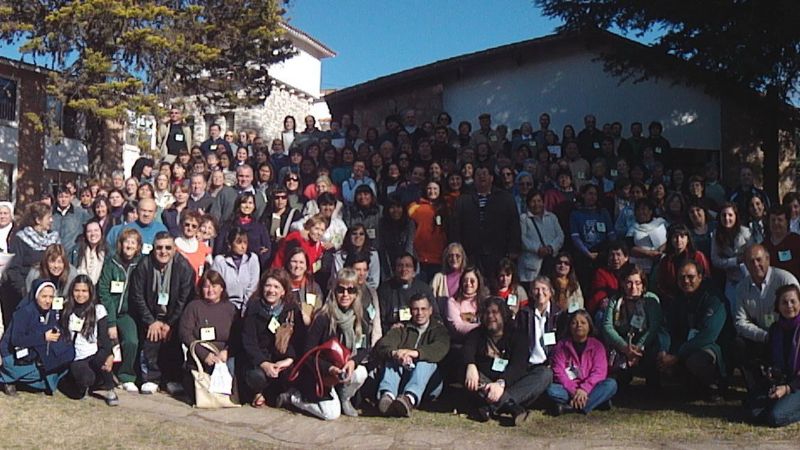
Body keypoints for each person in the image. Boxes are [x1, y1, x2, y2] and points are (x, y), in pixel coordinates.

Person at [277, 268, 370, 420]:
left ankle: (344, 398)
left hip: (344, 368)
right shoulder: (323, 317)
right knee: (331, 415)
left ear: (356, 293)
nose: (345, 295)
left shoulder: (361, 315)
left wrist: (353, 361)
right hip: (321, 372)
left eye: (350, 290)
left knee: (361, 373)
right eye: (341, 289)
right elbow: (308, 353)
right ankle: (293, 398)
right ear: (334, 291)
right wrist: (330, 368)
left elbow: (365, 347)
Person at [463, 297, 548, 425]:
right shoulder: (476, 334)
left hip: (510, 383)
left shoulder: (518, 335)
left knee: (545, 374)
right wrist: (470, 365)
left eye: (495, 312)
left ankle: (491, 407)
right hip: (485, 382)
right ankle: (511, 406)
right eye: (487, 313)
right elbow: (467, 350)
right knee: (464, 370)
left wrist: (501, 384)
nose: (491, 316)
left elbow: (519, 366)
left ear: (503, 314)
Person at [128, 232, 195, 394]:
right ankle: (151, 378)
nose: (163, 252)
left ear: (174, 250)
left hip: (174, 316)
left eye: (167, 248)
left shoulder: (184, 267)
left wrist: (169, 323)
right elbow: (137, 296)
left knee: (174, 343)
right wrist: (151, 321)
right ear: (153, 248)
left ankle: (172, 379)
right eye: (159, 248)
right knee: (151, 340)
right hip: (151, 316)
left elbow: (183, 298)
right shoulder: (144, 265)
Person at [658, 260, 734, 401]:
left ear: (700, 276)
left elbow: (708, 335)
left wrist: (677, 355)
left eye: (691, 277)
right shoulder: (677, 299)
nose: (686, 281)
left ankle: (716, 385)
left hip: (713, 349)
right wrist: (664, 350)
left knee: (697, 360)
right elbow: (665, 327)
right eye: (681, 277)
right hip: (684, 345)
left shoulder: (714, 299)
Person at [733, 244, 799, 389]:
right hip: (761, 337)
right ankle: (756, 388)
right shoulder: (741, 288)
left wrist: (777, 335)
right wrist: (764, 336)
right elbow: (740, 321)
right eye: (751, 261)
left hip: (786, 337)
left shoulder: (786, 280)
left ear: (768, 259)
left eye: (759, 260)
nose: (755, 264)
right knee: (739, 344)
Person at [374, 293, 450, 417]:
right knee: (392, 359)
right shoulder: (402, 328)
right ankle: (387, 396)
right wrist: (396, 354)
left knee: (425, 362)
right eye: (415, 309)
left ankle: (409, 399)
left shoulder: (439, 330)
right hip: (403, 379)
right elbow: (383, 345)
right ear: (410, 311)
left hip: (429, 384)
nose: (419, 313)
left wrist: (415, 353)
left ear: (430, 310)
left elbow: (441, 348)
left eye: (423, 309)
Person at [241, 268, 306, 408]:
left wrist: (288, 360)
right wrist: (264, 364)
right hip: (260, 362)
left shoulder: (292, 310)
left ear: (283, 291)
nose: (271, 290)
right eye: (268, 286)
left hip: (284, 360)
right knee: (255, 376)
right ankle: (258, 392)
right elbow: (249, 342)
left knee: (292, 375)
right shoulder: (253, 307)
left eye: (276, 287)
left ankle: (279, 395)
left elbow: (299, 339)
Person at [0, 280, 75, 396]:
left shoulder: (50, 312)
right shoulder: (24, 312)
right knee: (44, 372)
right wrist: (43, 337)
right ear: (36, 295)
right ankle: (7, 378)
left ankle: (29, 380)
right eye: (44, 296)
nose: (48, 300)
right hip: (13, 354)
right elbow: (16, 340)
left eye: (51, 297)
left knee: (64, 358)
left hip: (34, 351)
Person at [178, 270, 240, 404]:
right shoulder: (194, 307)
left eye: (214, 285)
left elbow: (238, 335)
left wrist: (227, 352)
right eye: (206, 286)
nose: (210, 290)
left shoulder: (231, 309)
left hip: (225, 356)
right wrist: (204, 354)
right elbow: (185, 332)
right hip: (201, 355)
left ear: (222, 288)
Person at [450, 165, 521, 277]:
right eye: (478, 174)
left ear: (492, 178)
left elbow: (514, 225)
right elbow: (455, 226)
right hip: (471, 253)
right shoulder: (463, 199)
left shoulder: (505, 198)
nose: (481, 177)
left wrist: (513, 249)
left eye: (484, 174)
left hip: (499, 252)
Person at [746, 284, 800, 427]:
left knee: (776, 418)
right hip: (780, 381)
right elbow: (769, 358)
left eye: (793, 301)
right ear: (778, 306)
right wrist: (770, 371)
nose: (789, 306)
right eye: (784, 302)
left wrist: (788, 388)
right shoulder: (775, 329)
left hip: (797, 384)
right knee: (753, 412)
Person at [602, 265, 664, 388]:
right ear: (623, 284)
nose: (633, 287)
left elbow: (654, 327)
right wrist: (625, 347)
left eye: (637, 283)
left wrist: (638, 348)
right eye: (629, 283)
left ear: (643, 284)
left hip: (646, 343)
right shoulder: (615, 300)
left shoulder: (651, 299)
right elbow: (607, 326)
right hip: (622, 343)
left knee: (655, 347)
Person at [97, 228, 142, 393]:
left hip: (130, 313)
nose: (129, 245)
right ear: (120, 244)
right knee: (108, 341)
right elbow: (103, 291)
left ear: (138, 247)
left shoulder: (141, 263)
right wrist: (111, 322)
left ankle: (127, 375)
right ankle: (111, 375)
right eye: (126, 241)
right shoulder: (111, 263)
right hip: (112, 311)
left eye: (133, 242)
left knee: (132, 341)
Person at [548, 310, 617, 415]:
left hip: (591, 387)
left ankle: (570, 407)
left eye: (583, 323)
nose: (579, 325)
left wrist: (584, 389)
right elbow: (559, 372)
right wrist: (574, 391)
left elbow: (599, 372)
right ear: (569, 326)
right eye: (574, 323)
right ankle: (596, 401)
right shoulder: (561, 346)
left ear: (589, 326)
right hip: (568, 389)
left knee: (611, 384)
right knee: (551, 390)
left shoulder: (597, 346)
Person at [62, 275, 117, 405]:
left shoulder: (98, 310)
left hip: (94, 353)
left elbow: (104, 337)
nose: (80, 294)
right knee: (85, 379)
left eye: (84, 291)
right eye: (77, 290)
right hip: (76, 356)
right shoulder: (66, 309)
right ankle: (87, 384)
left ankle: (110, 388)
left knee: (102, 359)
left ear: (90, 292)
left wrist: (109, 354)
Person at [5, 203, 60, 311]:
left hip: (49, 293)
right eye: (48, 217)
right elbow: (14, 268)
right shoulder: (21, 239)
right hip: (28, 292)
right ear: (38, 220)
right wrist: (24, 291)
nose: (51, 220)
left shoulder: (54, 238)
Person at [377, 253, 437, 333]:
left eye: (408, 266)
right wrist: (389, 328)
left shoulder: (424, 289)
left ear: (414, 271)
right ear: (394, 269)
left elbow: (436, 316)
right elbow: (380, 320)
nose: (404, 269)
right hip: (393, 334)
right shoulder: (384, 290)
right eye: (400, 266)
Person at [656, 224, 711, 306]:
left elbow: (706, 277)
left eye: (682, 236)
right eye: (675, 237)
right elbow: (661, 284)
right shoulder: (666, 260)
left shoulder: (697, 256)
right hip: (674, 302)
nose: (679, 240)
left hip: (697, 299)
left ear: (688, 239)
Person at [711, 203, 754, 308]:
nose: (727, 218)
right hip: (731, 280)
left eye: (730, 215)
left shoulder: (747, 233)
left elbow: (752, 256)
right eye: (723, 215)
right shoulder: (716, 234)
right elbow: (715, 260)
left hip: (748, 279)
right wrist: (734, 261)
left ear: (735, 216)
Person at [215, 192, 271, 269]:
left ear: (254, 206)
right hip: (230, 266)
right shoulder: (228, 225)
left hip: (253, 267)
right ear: (238, 204)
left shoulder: (260, 227)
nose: (247, 206)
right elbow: (219, 247)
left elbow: (266, 249)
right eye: (244, 202)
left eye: (250, 203)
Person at [211, 226, 260, 312]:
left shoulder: (252, 259)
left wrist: (245, 309)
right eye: (239, 242)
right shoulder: (220, 261)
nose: (243, 246)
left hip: (246, 307)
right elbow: (216, 286)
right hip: (224, 306)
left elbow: (253, 287)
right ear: (230, 244)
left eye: (245, 243)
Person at [519, 190, 564, 284]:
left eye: (539, 201)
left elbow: (560, 236)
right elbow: (522, 239)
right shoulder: (523, 219)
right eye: (533, 201)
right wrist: (538, 249)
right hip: (531, 265)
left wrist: (551, 248)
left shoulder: (552, 217)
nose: (536, 204)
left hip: (550, 261)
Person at [408, 181, 448, 281]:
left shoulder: (446, 208)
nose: (432, 191)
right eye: (429, 188)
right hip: (420, 258)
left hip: (439, 256)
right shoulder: (416, 208)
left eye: (435, 189)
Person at [282, 246, 324, 326]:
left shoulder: (313, 287)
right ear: (288, 264)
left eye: (301, 262)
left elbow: (319, 311)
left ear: (306, 266)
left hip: (307, 329)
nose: (297, 266)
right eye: (294, 261)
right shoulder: (280, 284)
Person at [376, 198, 416, 282]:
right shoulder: (382, 223)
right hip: (388, 261)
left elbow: (410, 245)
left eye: (398, 207)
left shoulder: (409, 223)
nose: (395, 210)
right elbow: (381, 246)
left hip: (407, 259)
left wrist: (405, 265)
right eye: (392, 207)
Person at [446, 266, 488, 343]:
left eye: (472, 281)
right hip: (459, 344)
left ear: (478, 282)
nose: (468, 283)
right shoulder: (452, 302)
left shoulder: (485, 301)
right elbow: (457, 327)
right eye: (465, 280)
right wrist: (483, 328)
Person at [588, 241, 631, 317]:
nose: (615, 258)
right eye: (612, 255)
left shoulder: (632, 273)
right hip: (609, 308)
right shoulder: (601, 273)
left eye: (618, 254)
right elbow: (600, 297)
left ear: (626, 257)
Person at [332, 224, 381, 289]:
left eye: (361, 234)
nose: (358, 236)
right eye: (354, 234)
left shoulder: (373, 255)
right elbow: (337, 279)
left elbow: (374, 282)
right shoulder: (339, 256)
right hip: (345, 290)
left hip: (367, 291)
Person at [627, 199, 668, 275]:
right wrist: (649, 254)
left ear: (650, 211)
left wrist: (661, 250)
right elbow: (629, 248)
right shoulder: (632, 228)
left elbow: (671, 236)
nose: (640, 212)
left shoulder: (661, 222)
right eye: (638, 210)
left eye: (643, 209)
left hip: (663, 263)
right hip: (642, 269)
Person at [175, 210, 213, 281]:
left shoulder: (204, 248)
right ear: (181, 225)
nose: (190, 228)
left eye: (194, 226)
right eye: (187, 225)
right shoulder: (174, 246)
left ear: (198, 228)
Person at [52, 184, 90, 255]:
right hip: (54, 253)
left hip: (73, 253)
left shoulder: (80, 213)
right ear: (56, 198)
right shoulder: (50, 213)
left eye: (66, 197)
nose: (63, 199)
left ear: (70, 198)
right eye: (60, 197)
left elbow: (91, 226)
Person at [764, 205, 800, 277]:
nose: (776, 223)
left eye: (780, 220)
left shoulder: (796, 241)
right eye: (773, 220)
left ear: (787, 222)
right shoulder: (764, 246)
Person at [67, 220, 107, 285]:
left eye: (96, 230)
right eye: (89, 231)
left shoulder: (109, 253)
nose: (93, 234)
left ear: (101, 232)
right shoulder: (76, 251)